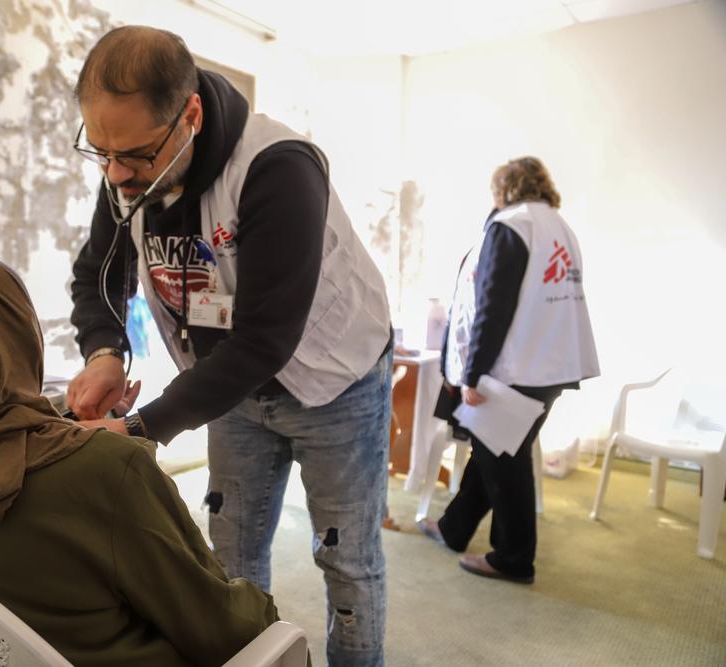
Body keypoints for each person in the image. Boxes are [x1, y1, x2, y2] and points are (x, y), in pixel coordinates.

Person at [66, 26, 392, 666]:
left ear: (188, 115)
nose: (115, 174)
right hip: (232, 392)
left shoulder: (278, 168)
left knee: (346, 560)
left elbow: (264, 339)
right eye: (98, 151)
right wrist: (104, 352)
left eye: (130, 155)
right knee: (229, 557)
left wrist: (143, 426)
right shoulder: (125, 168)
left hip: (335, 384)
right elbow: (98, 275)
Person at [0, 254, 279, 667]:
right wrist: (267, 615)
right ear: (23, 335)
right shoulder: (109, 471)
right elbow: (222, 630)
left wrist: (74, 432)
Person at [417, 156, 600, 584]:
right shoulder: (557, 225)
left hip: (514, 368)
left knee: (504, 462)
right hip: (551, 364)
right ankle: (453, 529)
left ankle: (513, 558)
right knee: (494, 453)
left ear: (504, 189)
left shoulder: (512, 226)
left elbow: (492, 306)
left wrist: (473, 373)